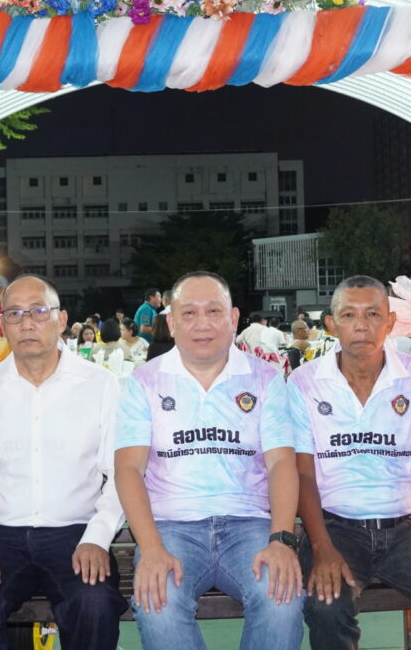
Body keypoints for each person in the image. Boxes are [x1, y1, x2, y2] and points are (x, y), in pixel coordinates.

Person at [290, 276, 411, 650]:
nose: (361, 325)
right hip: (335, 528)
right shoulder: (305, 382)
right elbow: (302, 472)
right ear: (331, 324)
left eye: (373, 314)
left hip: (405, 529)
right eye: (348, 315)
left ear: (390, 322)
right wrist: (321, 547)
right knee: (327, 606)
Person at [114, 271, 304, 650]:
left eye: (213, 311)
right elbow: (128, 469)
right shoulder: (144, 381)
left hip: (249, 524)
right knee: (158, 604)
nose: (202, 324)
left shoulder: (265, 378)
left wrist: (281, 539)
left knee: (281, 597)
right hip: (171, 528)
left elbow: (282, 463)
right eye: (189, 313)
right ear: (171, 322)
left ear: (233, 318)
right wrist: (150, 548)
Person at [0, 275, 128, 649]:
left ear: (61, 319)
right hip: (0, 536)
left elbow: (120, 474)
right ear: (2, 324)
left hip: (75, 532)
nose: (26, 323)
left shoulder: (101, 385)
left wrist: (97, 538)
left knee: (93, 604)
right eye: (14, 314)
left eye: (39, 311)